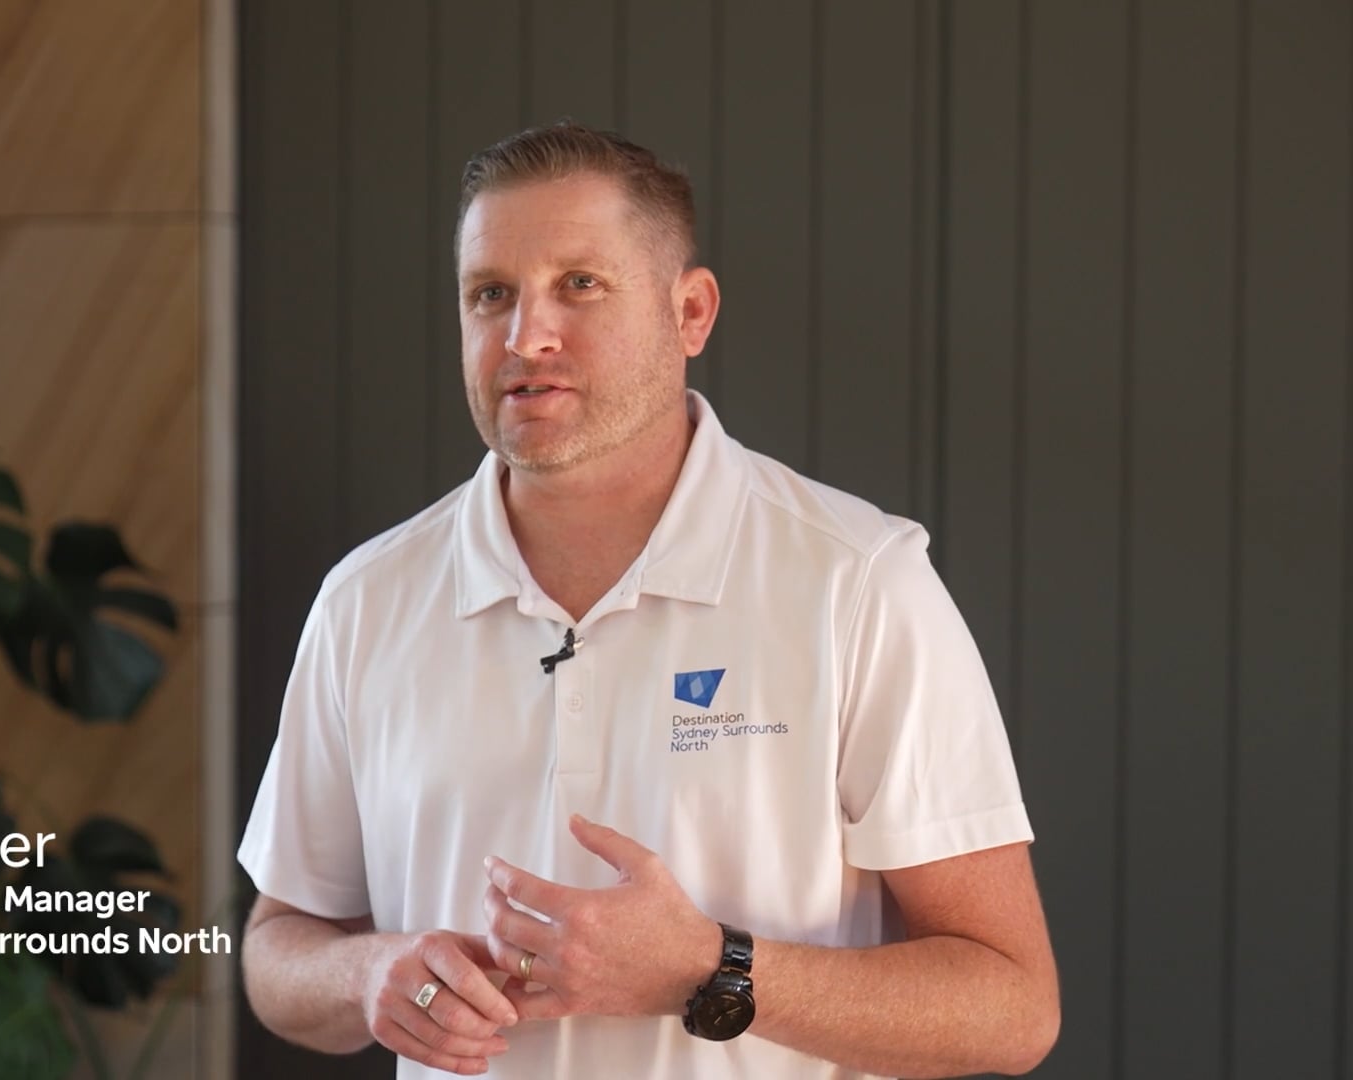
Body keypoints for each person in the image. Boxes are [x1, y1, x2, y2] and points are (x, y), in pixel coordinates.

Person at [236, 122, 1059, 1079]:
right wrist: (367, 974)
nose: (525, 336)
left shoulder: (858, 582)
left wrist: (710, 971)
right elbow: (275, 949)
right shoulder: (366, 603)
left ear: (690, 313)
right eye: (490, 293)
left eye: (580, 284)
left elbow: (1012, 1007)